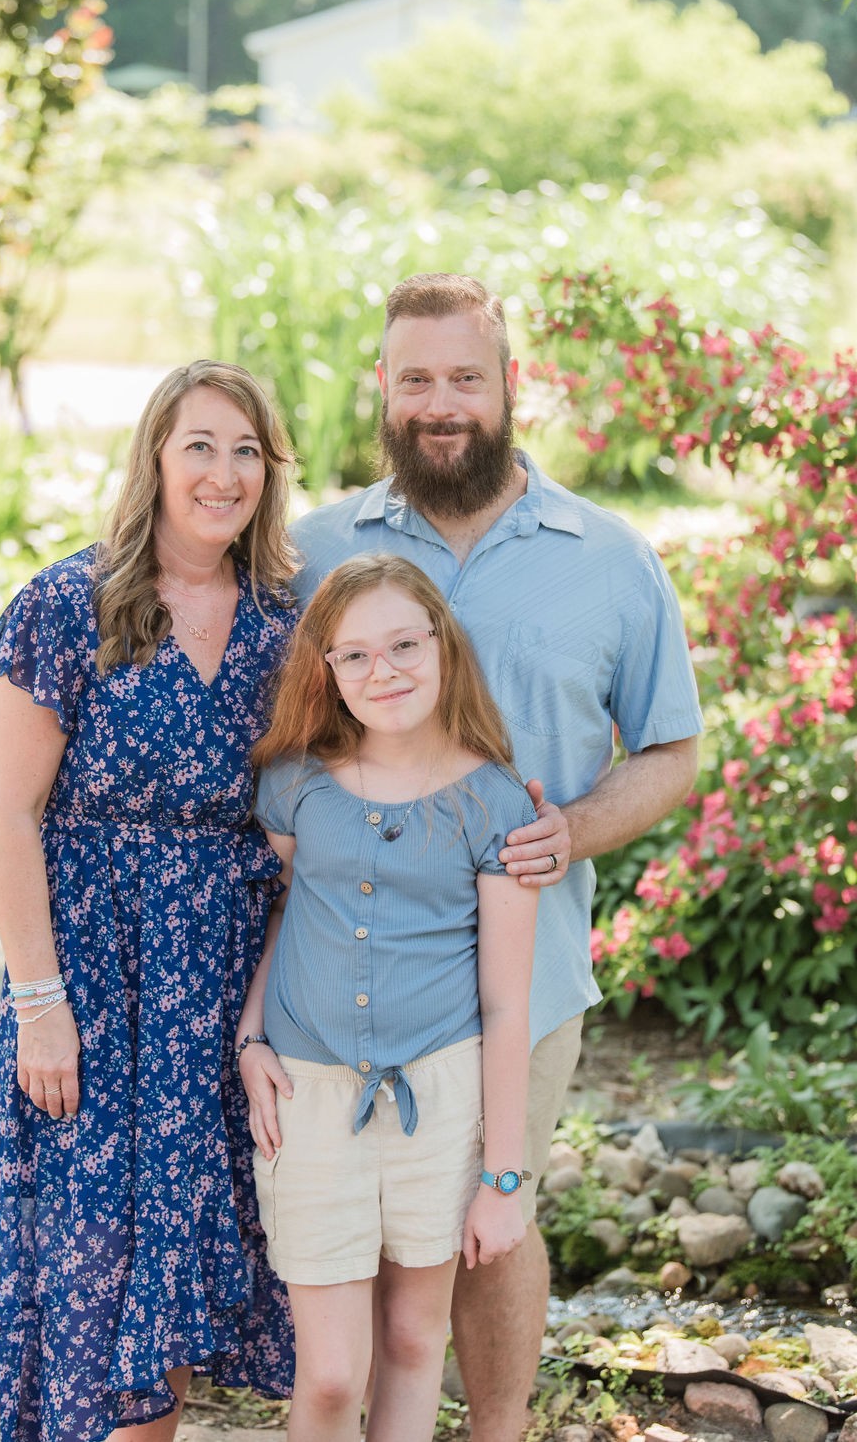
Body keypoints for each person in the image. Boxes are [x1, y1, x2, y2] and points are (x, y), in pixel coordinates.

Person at [289, 273, 704, 1439]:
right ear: (382, 389)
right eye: (414, 378)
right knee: (360, 1242)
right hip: (343, 972)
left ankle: (500, 1431)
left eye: (464, 376)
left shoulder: (608, 558)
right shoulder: (316, 551)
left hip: (525, 972)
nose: (440, 402)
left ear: (509, 385)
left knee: (492, 1218)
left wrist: (568, 828)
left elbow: (671, 750)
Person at [0, 361, 297, 1442]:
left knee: (173, 1281)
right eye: (199, 445)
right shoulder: (70, 604)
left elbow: (294, 819)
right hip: (89, 980)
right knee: (89, 1269)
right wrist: (38, 1001)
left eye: (246, 449)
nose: (223, 472)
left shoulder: (280, 625)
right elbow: (8, 812)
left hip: (211, 985)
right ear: (155, 457)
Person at [235, 553, 540, 1442]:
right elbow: (284, 919)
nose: (386, 671)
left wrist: (502, 1179)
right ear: (325, 669)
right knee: (330, 1375)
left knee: (413, 1339)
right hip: (309, 1098)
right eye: (356, 655)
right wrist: (251, 1038)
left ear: (444, 646)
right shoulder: (296, 784)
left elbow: (507, 1008)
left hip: (438, 1104)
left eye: (406, 644)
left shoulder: (493, 806)